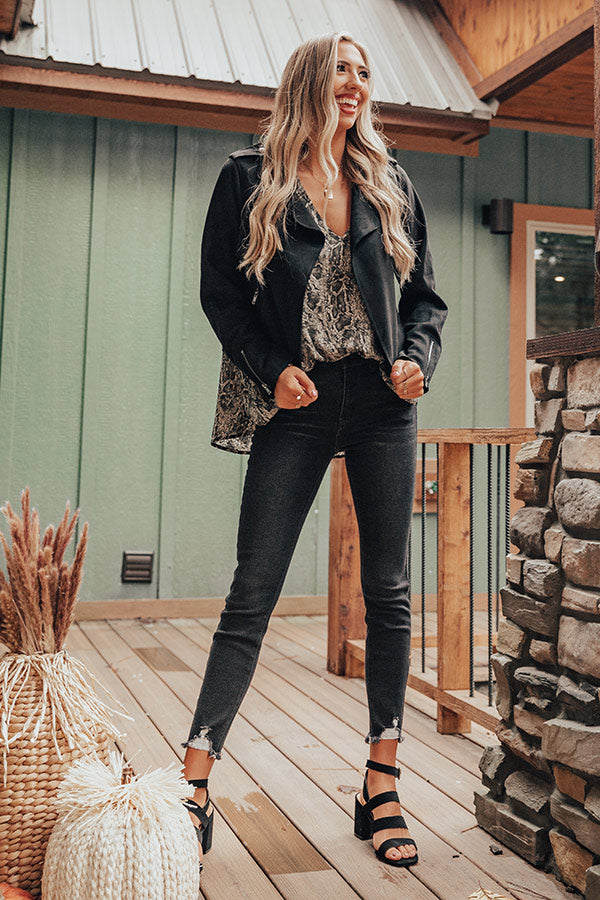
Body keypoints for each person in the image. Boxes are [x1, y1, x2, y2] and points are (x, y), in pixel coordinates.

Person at [182, 31, 447, 871]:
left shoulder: (390, 181)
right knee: (252, 594)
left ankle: (382, 783)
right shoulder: (247, 179)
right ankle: (193, 785)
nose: (356, 83)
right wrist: (272, 370)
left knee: (389, 593)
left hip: (381, 404)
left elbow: (427, 299)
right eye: (342, 69)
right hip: (294, 403)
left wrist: (419, 359)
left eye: (364, 72)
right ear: (308, 80)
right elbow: (220, 296)